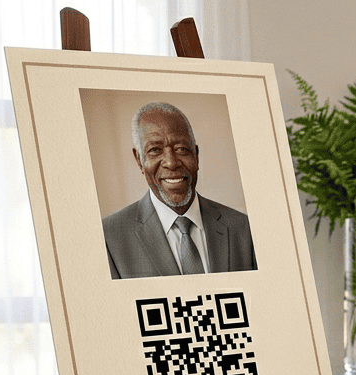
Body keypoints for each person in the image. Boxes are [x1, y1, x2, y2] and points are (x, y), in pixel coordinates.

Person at [103, 101, 257, 279]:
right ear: (139, 160)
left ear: (196, 155)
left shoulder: (243, 228)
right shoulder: (108, 238)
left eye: (182, 149)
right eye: (155, 150)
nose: (171, 162)